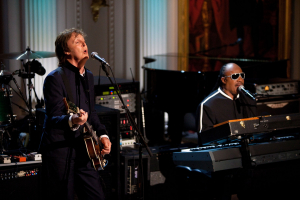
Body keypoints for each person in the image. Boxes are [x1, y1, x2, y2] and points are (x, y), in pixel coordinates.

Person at [40, 28, 111, 200]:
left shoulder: (89, 76)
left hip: (84, 150)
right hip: (60, 152)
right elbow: (53, 118)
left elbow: (92, 113)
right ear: (66, 51)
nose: (84, 44)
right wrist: (73, 119)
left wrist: (102, 135)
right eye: (77, 42)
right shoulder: (55, 79)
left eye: (84, 42)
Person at [196, 63, 257, 145]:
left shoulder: (249, 99)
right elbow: (205, 138)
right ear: (224, 80)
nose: (240, 79)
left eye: (242, 75)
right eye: (235, 76)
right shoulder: (208, 105)